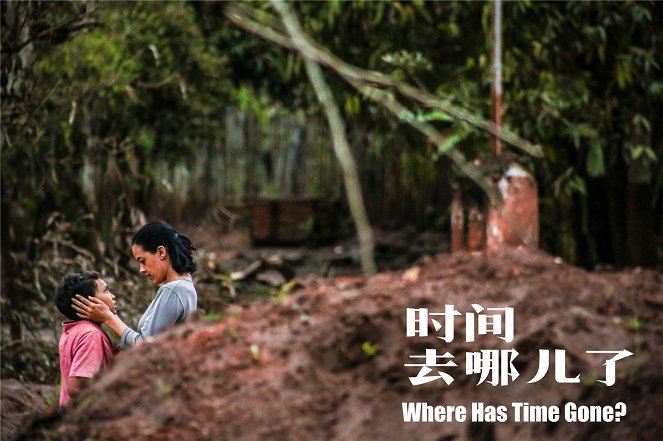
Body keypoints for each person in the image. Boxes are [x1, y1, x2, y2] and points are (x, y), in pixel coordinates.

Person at [72, 221, 197, 349]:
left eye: (143, 261)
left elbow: (147, 346)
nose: (141, 269)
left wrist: (108, 318)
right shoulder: (186, 286)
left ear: (161, 253)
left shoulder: (173, 290)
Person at [55, 271, 117, 407]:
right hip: (84, 421)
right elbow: (76, 387)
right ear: (89, 303)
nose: (113, 296)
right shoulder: (90, 334)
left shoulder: (74, 330)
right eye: (106, 291)